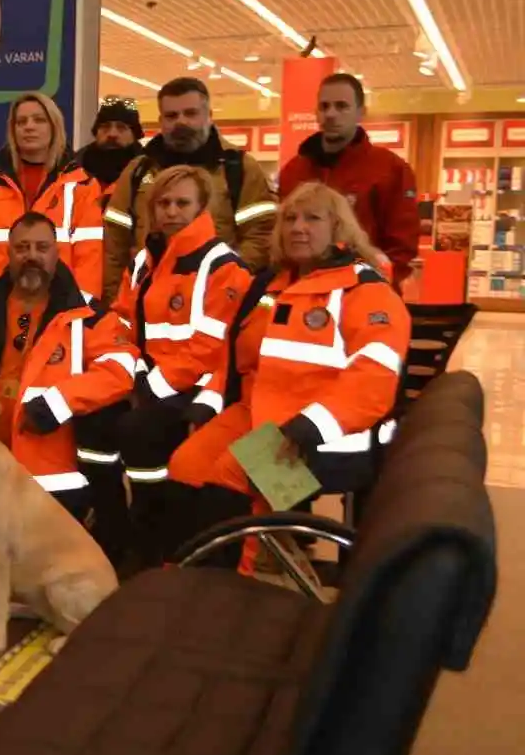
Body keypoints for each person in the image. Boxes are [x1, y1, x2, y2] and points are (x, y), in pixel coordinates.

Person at [166, 183, 409, 565]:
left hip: (322, 438)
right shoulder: (273, 285)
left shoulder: (365, 290)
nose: (298, 227)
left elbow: (374, 377)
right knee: (185, 465)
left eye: (313, 218)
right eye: (290, 219)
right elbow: (235, 356)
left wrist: (311, 425)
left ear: (339, 229)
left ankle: (224, 592)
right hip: (257, 415)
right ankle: (187, 573)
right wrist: (209, 399)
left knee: (229, 483)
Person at [0, 215, 138, 522]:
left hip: (51, 474)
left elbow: (120, 368)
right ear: (9, 253)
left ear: (57, 253)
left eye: (42, 247)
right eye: (22, 248)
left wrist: (57, 403)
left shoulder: (89, 314)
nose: (32, 256)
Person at [111, 165, 252, 569]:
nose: (172, 212)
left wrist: (150, 387)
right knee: (93, 426)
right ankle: (116, 529)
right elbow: (122, 322)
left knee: (139, 431)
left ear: (202, 207)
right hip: (147, 378)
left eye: (182, 203)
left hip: (201, 389)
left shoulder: (222, 265)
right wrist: (127, 370)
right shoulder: (144, 261)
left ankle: (155, 534)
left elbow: (208, 348)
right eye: (164, 204)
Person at [103, 77, 275, 307]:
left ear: (209, 115)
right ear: (160, 121)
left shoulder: (240, 169)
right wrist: (116, 301)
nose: (181, 122)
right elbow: (113, 243)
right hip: (146, 302)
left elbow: (260, 236)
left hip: (216, 303)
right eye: (172, 116)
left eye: (190, 113)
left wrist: (224, 281)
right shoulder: (137, 171)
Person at [279, 73, 419, 287]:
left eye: (342, 106)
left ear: (361, 112)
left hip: (363, 293)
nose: (331, 114)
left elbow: (402, 246)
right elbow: (281, 235)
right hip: (301, 293)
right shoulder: (293, 171)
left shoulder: (390, 169)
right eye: (324, 107)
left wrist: (376, 285)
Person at [0, 93, 106, 297]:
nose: (29, 126)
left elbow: (89, 258)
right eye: (21, 122)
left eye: (39, 120)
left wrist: (82, 316)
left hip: (57, 305)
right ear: (13, 131)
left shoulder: (82, 185)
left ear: (54, 127)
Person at [79, 97, 146, 206]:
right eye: (105, 127)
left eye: (121, 128)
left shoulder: (149, 173)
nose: (112, 134)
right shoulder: (73, 169)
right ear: (96, 132)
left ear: (135, 135)